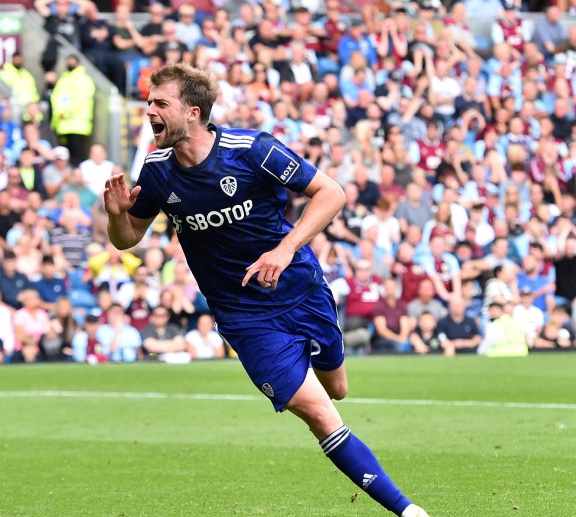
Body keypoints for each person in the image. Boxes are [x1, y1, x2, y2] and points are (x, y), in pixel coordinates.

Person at [104, 64, 429, 517]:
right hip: (244, 316)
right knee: (319, 413)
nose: (149, 111)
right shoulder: (157, 170)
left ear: (193, 112)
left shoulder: (253, 150)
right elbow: (127, 238)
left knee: (337, 389)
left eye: (160, 103)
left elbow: (331, 193)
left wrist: (285, 249)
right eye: (149, 102)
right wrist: (118, 216)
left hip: (301, 289)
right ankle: (409, 510)